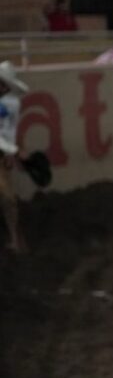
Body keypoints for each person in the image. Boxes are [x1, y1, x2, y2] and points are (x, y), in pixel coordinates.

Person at [0, 61, 30, 255]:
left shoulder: (7, 106)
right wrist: (14, 151)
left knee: (7, 198)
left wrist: (12, 151)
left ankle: (14, 237)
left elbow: (8, 132)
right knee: (7, 197)